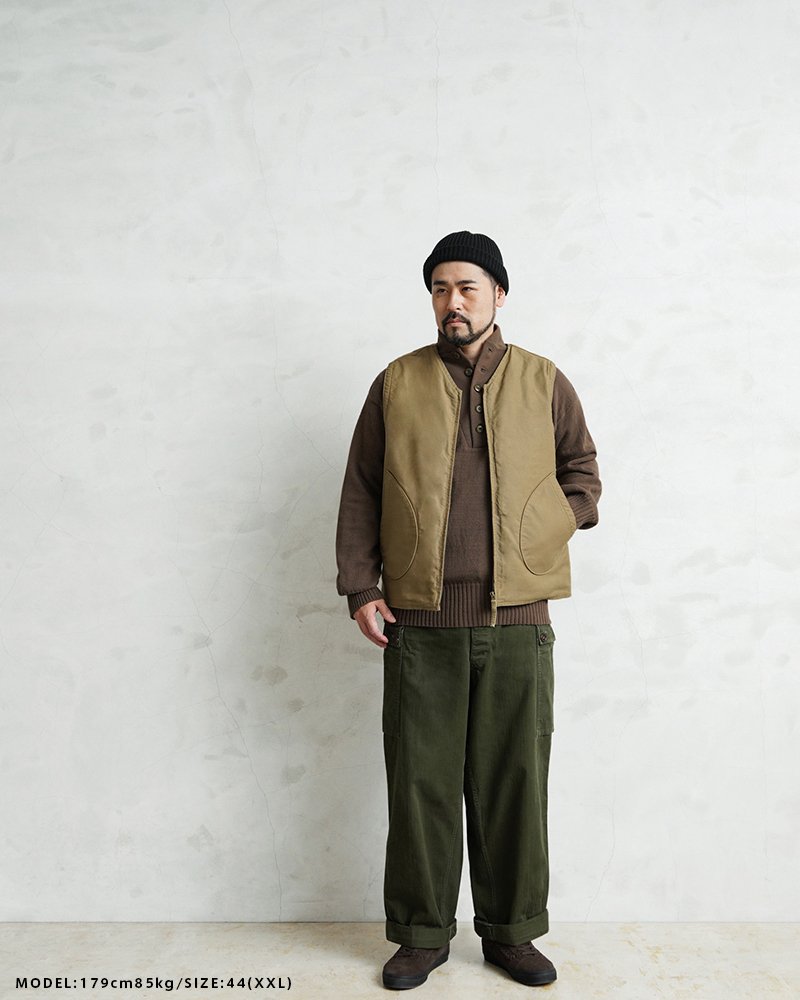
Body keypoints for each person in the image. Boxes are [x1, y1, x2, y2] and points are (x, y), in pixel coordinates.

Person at [335, 231, 601, 990]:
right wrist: (361, 587)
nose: (453, 302)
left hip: (519, 625)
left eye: (468, 287)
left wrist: (547, 527)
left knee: (514, 782)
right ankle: (422, 936)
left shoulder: (544, 380)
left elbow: (583, 474)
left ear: (498, 296)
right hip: (420, 626)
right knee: (419, 786)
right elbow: (361, 489)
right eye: (440, 288)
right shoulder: (396, 383)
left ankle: (512, 934)